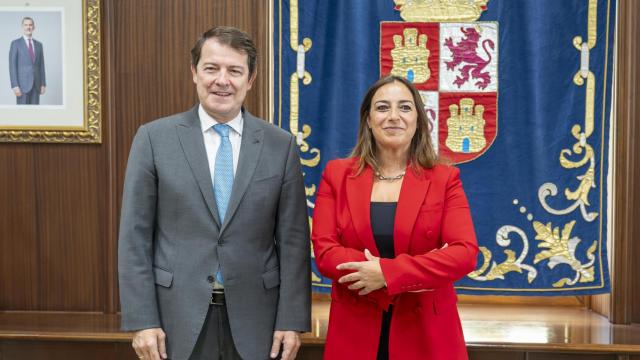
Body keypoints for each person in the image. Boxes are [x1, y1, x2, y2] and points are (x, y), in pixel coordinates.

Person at [118, 26, 311, 360]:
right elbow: (134, 238)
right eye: (212, 68)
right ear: (194, 73)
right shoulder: (154, 139)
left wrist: (291, 320)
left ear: (250, 79)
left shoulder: (280, 145)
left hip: (258, 322)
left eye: (235, 70)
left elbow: (293, 241)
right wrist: (142, 320)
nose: (223, 80)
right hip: (174, 321)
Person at [311, 75, 478, 360]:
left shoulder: (444, 178)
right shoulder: (337, 174)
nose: (393, 117)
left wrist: (388, 275)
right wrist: (381, 276)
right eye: (382, 108)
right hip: (355, 329)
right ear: (368, 119)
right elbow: (325, 251)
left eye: (404, 107)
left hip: (427, 330)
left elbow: (464, 253)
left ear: (418, 120)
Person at [9, 16, 46, 105]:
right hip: (22, 86)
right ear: (22, 27)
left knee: (35, 114)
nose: (28, 27)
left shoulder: (39, 45)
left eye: (30, 25)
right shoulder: (15, 44)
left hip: (36, 85)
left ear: (33, 27)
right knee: (22, 114)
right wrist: (15, 85)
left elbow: (41, 65)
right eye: (26, 25)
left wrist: (43, 84)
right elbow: (12, 66)